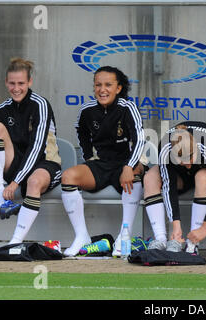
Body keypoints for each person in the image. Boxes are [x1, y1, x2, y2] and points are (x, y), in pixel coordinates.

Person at [60, 66, 146, 257]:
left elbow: (140, 140)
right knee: (68, 176)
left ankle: (125, 235)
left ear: (119, 88)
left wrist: (129, 166)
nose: (102, 89)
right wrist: (89, 157)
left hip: (125, 162)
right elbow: (80, 132)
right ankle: (82, 236)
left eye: (108, 85)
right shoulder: (87, 110)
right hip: (101, 164)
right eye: (98, 85)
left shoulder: (128, 107)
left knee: (137, 173)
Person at [0, 57, 62, 245]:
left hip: (44, 163)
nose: (16, 88)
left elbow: (37, 147)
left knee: (34, 181)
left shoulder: (40, 104)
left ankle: (14, 242)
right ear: (6, 83)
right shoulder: (2, 110)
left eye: (21, 83)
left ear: (30, 82)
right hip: (16, 165)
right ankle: (3, 201)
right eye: (12, 83)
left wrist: (15, 182)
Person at [143, 121, 206, 254]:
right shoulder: (165, 147)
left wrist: (205, 228)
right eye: (181, 160)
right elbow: (168, 187)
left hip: (202, 174)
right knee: (150, 178)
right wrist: (176, 226)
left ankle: (192, 244)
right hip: (180, 177)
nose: (187, 164)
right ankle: (160, 239)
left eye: (190, 158)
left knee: (202, 177)